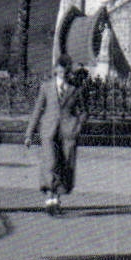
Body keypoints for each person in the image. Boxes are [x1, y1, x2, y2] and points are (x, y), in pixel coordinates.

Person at [23, 56, 89, 216]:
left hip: (67, 132)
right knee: (50, 162)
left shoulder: (75, 89)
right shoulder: (46, 87)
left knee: (64, 163)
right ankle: (48, 196)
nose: (63, 72)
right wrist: (29, 133)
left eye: (66, 69)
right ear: (56, 70)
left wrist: (77, 126)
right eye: (60, 69)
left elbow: (84, 111)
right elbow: (38, 109)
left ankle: (56, 199)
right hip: (49, 130)